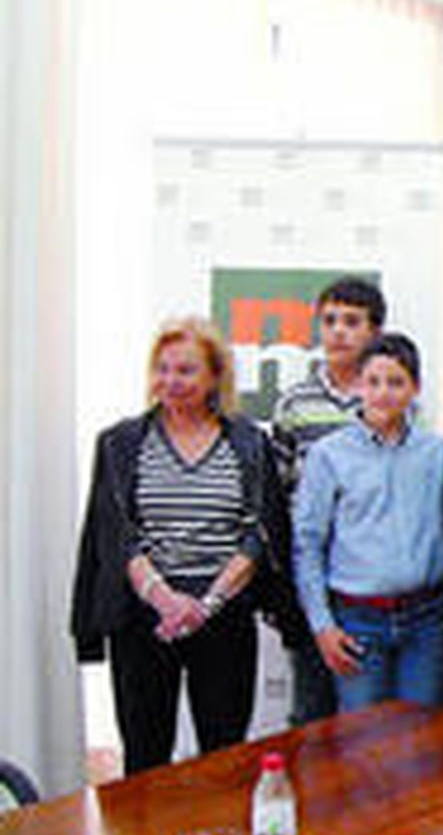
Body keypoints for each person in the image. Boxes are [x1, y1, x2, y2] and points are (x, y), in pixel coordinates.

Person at [71, 318, 291, 774]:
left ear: (214, 377)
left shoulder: (249, 442)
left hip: (223, 616)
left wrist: (205, 605)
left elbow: (259, 533)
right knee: (145, 758)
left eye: (186, 370)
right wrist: (164, 600)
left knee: (225, 758)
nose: (171, 381)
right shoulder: (120, 443)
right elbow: (115, 534)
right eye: (163, 369)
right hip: (144, 619)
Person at [293, 333, 443, 712]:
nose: (383, 393)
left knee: (422, 735)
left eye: (396, 382)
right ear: (358, 386)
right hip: (357, 621)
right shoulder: (328, 455)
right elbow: (308, 545)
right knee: (363, 737)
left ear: (415, 388)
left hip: (424, 621)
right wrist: (323, 626)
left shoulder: (436, 453)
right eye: (373, 382)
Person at [271, 275, 386, 725]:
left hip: (371, 580)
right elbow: (278, 494)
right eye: (330, 321)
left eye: (352, 322)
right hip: (312, 575)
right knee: (312, 710)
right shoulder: (293, 404)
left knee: (369, 714)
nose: (339, 331)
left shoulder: (390, 399)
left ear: (375, 332)